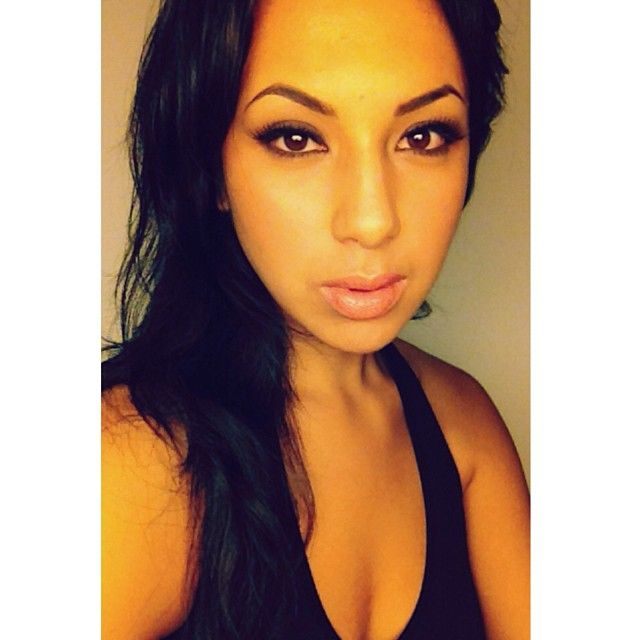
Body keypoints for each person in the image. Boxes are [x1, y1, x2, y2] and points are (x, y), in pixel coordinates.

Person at [102, 0, 530, 638]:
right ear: (209, 168)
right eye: (296, 138)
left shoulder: (463, 425)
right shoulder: (129, 463)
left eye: (423, 136)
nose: (372, 220)